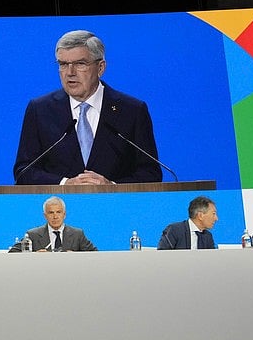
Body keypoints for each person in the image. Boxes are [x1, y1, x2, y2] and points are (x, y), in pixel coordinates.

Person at [13, 30, 161, 186]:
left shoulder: (132, 110)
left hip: (115, 206)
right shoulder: (40, 110)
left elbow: (150, 173)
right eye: (63, 64)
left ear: (100, 68)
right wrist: (65, 184)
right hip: (61, 205)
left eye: (80, 64)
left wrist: (112, 186)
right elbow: (24, 171)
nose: (70, 73)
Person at [8, 196, 97, 252]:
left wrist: (75, 257)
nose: (55, 216)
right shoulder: (32, 235)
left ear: (64, 214)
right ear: (45, 216)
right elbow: (12, 253)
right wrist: (34, 256)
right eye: (51, 213)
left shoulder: (77, 234)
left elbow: (95, 255)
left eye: (58, 212)